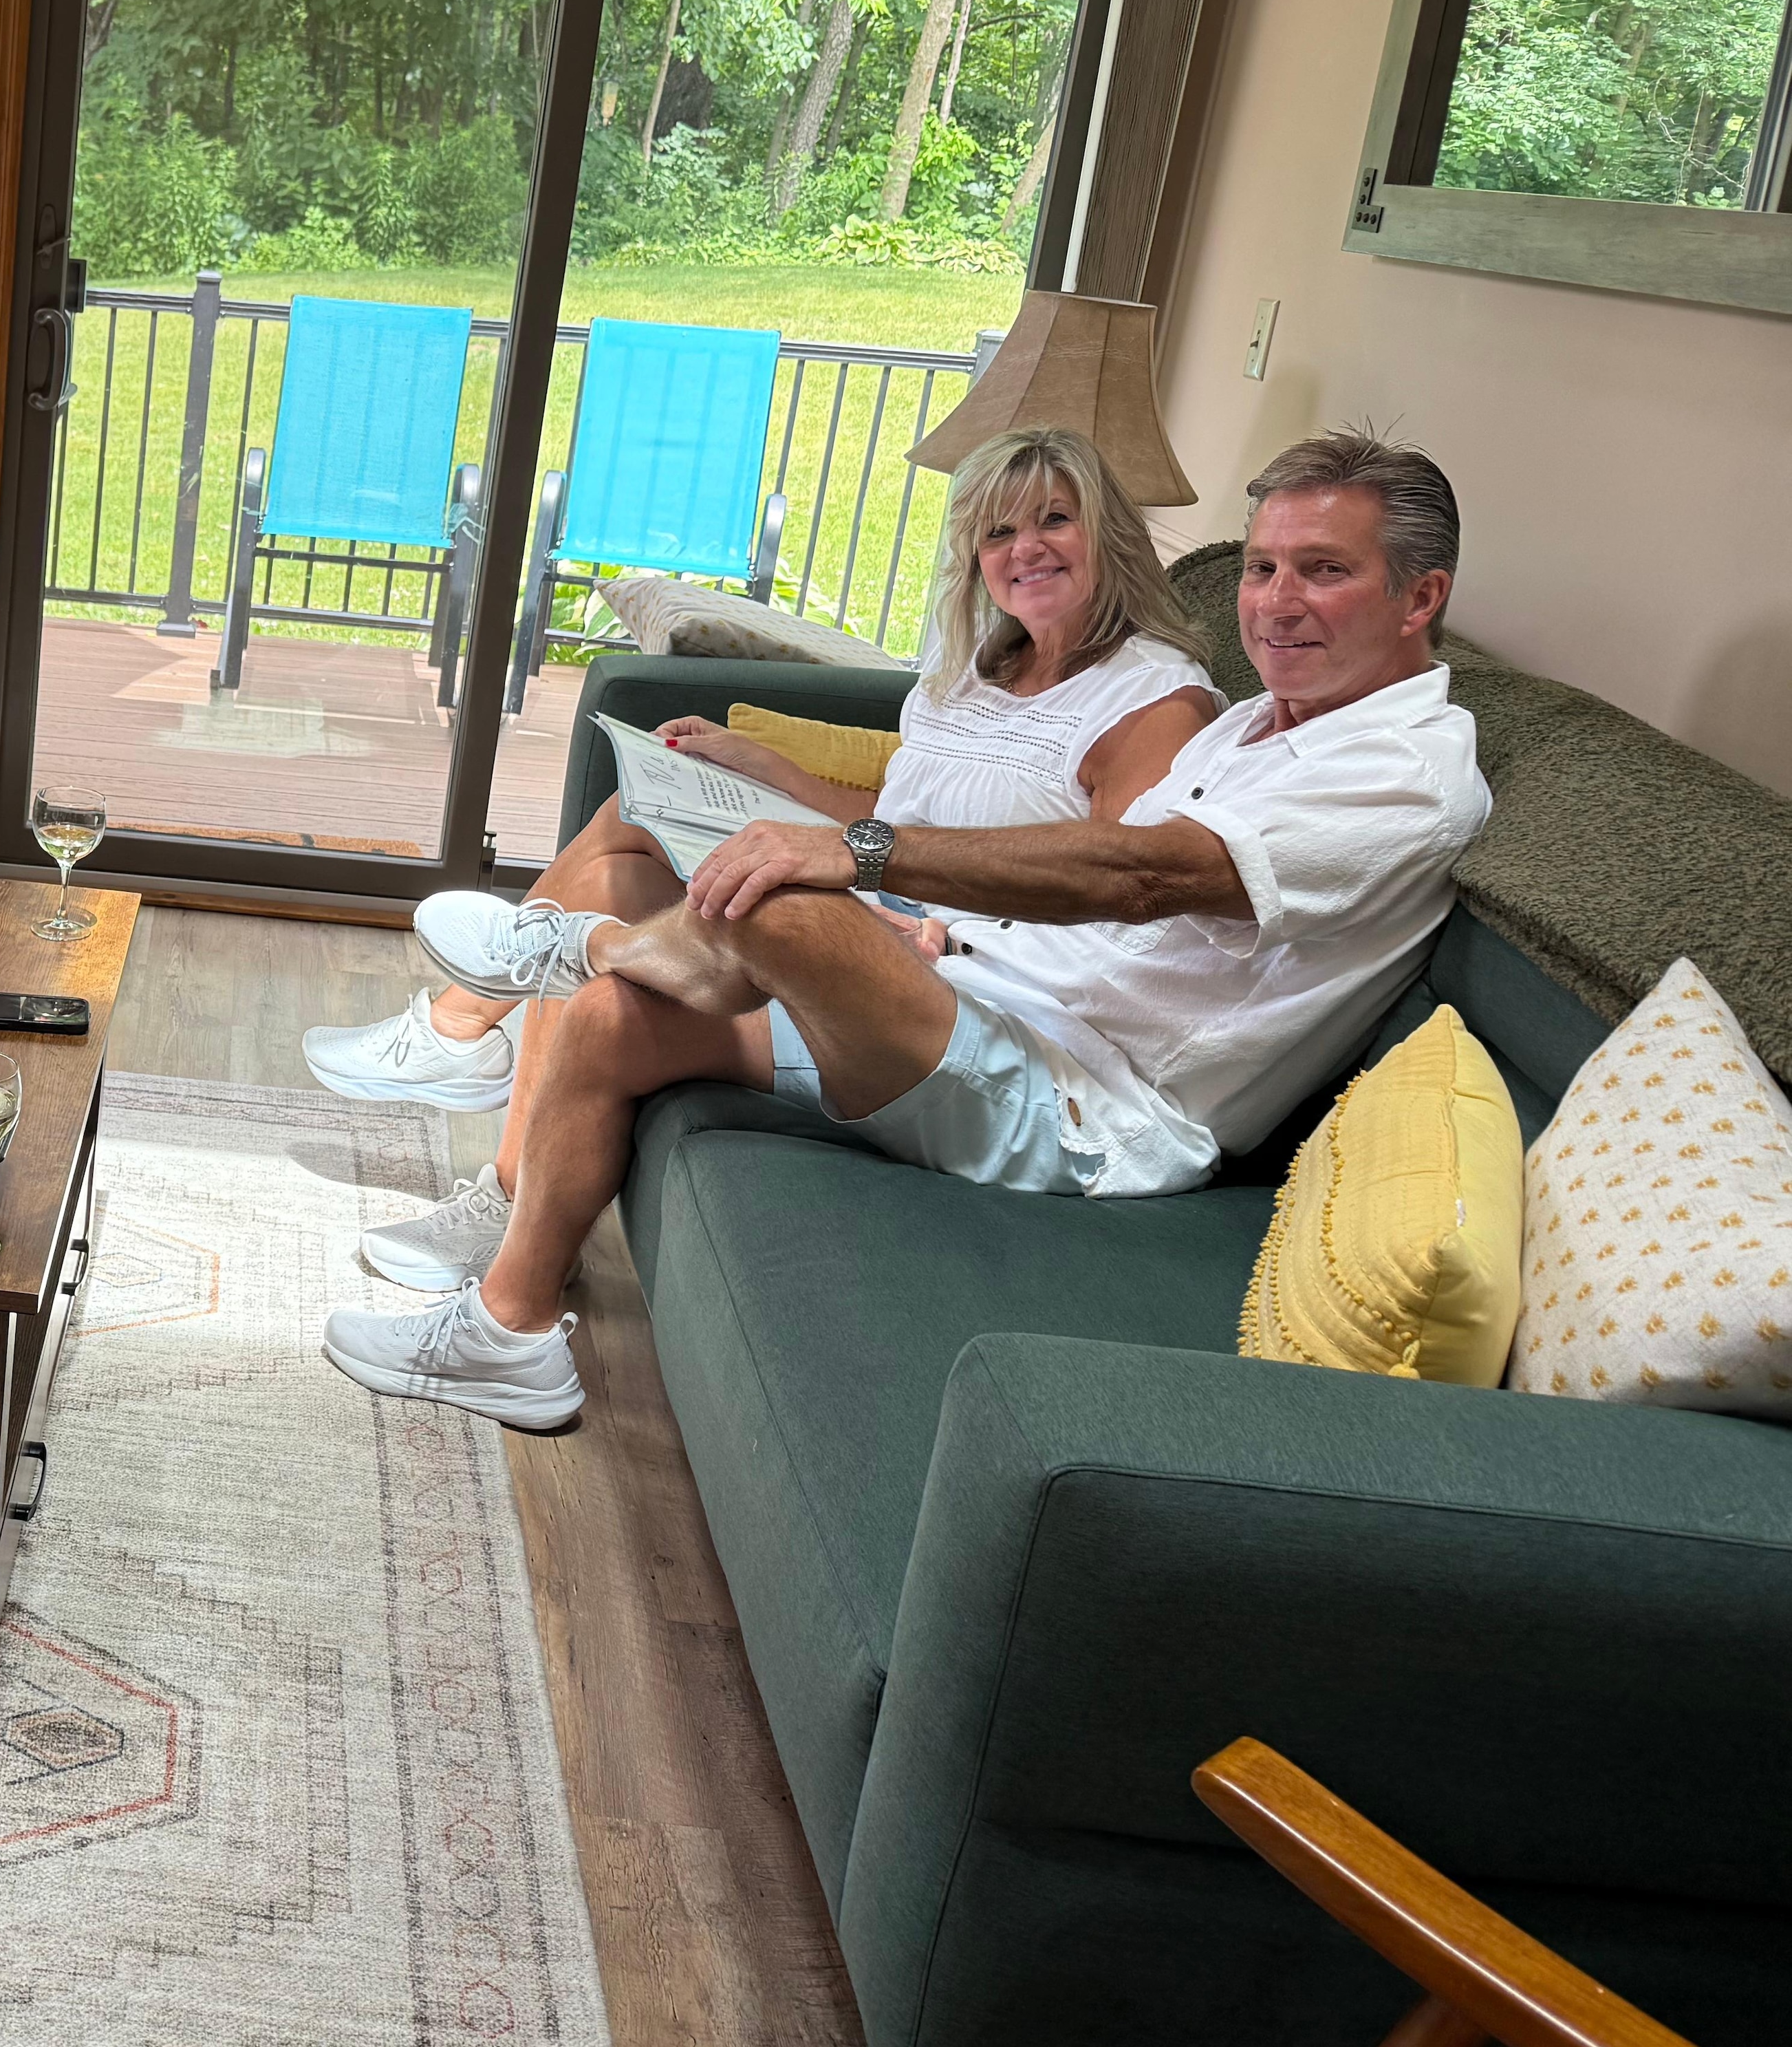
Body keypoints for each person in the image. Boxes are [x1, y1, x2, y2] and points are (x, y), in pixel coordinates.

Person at [323, 426, 1489, 1431]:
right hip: (985, 993)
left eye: (1324, 571)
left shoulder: (1402, 772)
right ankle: (512, 1329)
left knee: (779, 892)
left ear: (1419, 596)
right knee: (610, 1019)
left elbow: (1140, 873)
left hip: (1089, 1105)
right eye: (1267, 567)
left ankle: (586, 944)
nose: (1276, 601)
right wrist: (932, 930)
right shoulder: (1261, 722)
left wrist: (863, 857)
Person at [325, 425, 1220, 1291]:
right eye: (999, 531)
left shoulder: (1149, 699)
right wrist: (767, 769)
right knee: (626, 828)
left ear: (1108, 532)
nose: (1026, 548)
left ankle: (475, 1075)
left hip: (953, 974)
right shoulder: (978, 672)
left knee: (623, 969)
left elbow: (1112, 901)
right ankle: (468, 1056)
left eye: (1055, 519)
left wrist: (942, 932)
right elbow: (897, 823)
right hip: (891, 907)